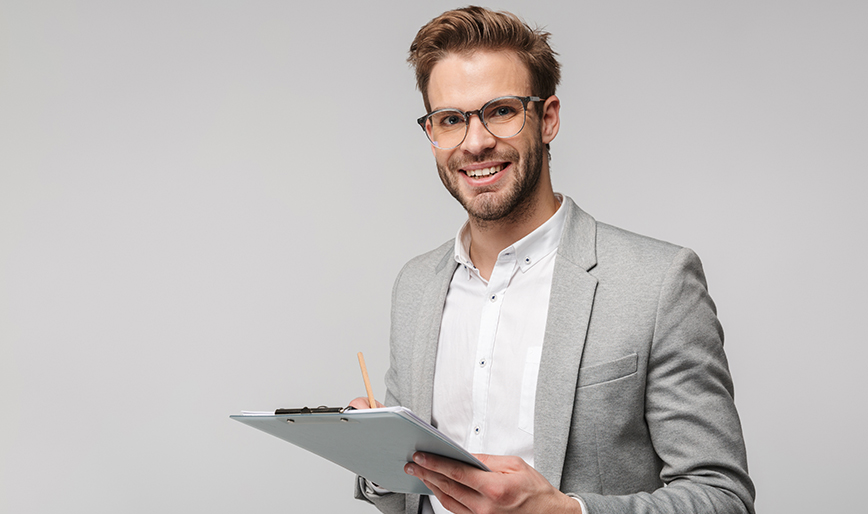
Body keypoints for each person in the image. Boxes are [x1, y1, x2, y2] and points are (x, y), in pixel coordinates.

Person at [350, 6, 755, 514]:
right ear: (431, 133)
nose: (476, 142)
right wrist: (377, 458)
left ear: (547, 119)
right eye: (450, 120)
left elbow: (722, 498)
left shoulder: (658, 283)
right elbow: (413, 494)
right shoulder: (415, 286)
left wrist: (563, 511)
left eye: (501, 111)